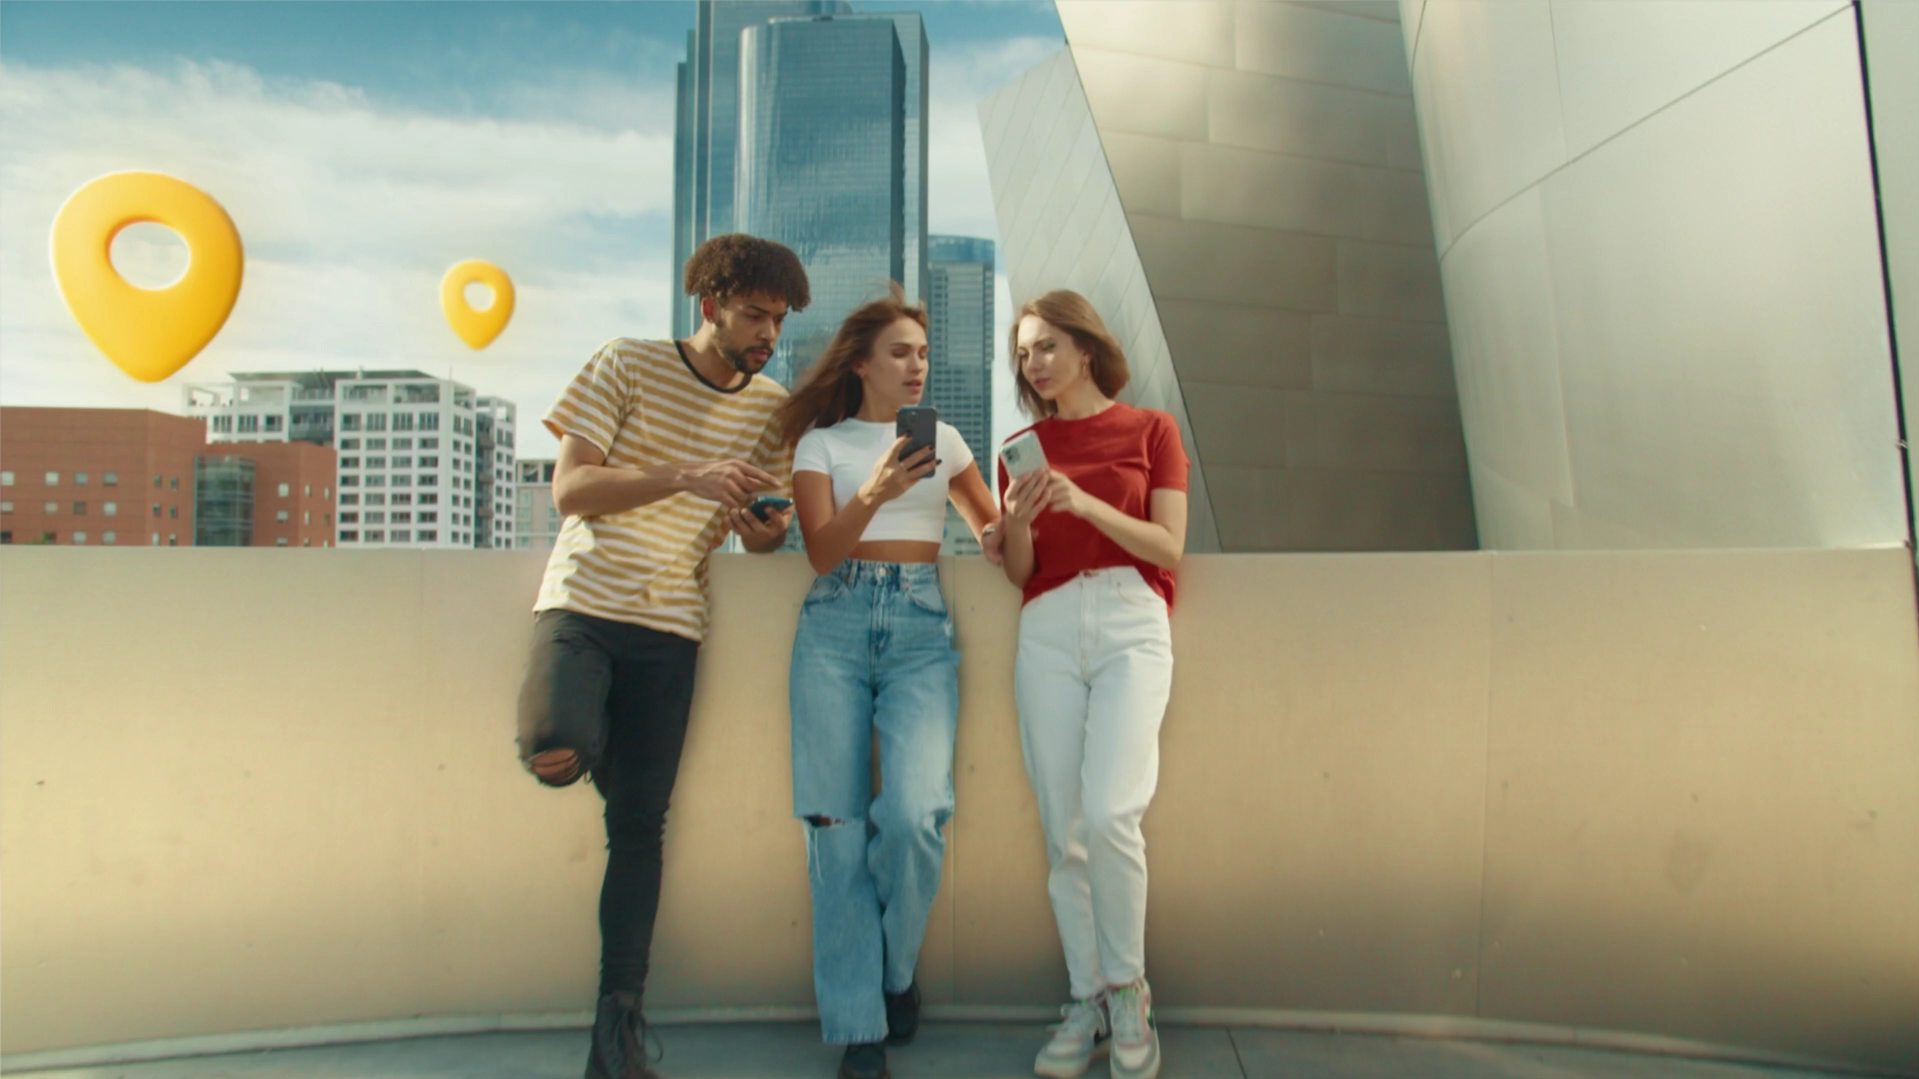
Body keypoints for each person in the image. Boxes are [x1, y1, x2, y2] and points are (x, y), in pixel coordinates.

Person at [514, 234, 810, 1079]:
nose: (767, 334)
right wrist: (681, 473)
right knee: (553, 740)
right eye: (754, 314)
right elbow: (571, 488)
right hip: (582, 604)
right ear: (709, 304)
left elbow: (761, 539)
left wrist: (767, 531)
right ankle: (590, 747)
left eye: (779, 320)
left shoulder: (774, 407)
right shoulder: (627, 362)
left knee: (639, 826)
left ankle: (618, 1026)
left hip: (674, 627)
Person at [774, 288, 999, 1079]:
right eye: (900, 352)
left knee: (913, 813)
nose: (916, 366)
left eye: (923, 353)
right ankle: (858, 1024)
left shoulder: (944, 439)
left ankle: (894, 973)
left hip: (917, 629)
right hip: (833, 627)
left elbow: (991, 535)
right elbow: (820, 553)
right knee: (834, 829)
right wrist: (873, 491)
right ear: (862, 361)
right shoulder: (819, 444)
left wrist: (1021, 518)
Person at [993, 290, 1189, 1079]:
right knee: (1062, 824)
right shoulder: (1020, 446)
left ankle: (1130, 988)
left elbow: (1168, 547)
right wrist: (1013, 524)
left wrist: (1085, 503)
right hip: (1045, 625)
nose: (1031, 362)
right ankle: (1086, 999)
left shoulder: (1151, 430)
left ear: (1083, 346)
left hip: (1131, 621)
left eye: (1044, 345)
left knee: (1112, 811)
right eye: (1023, 352)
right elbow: (1021, 572)